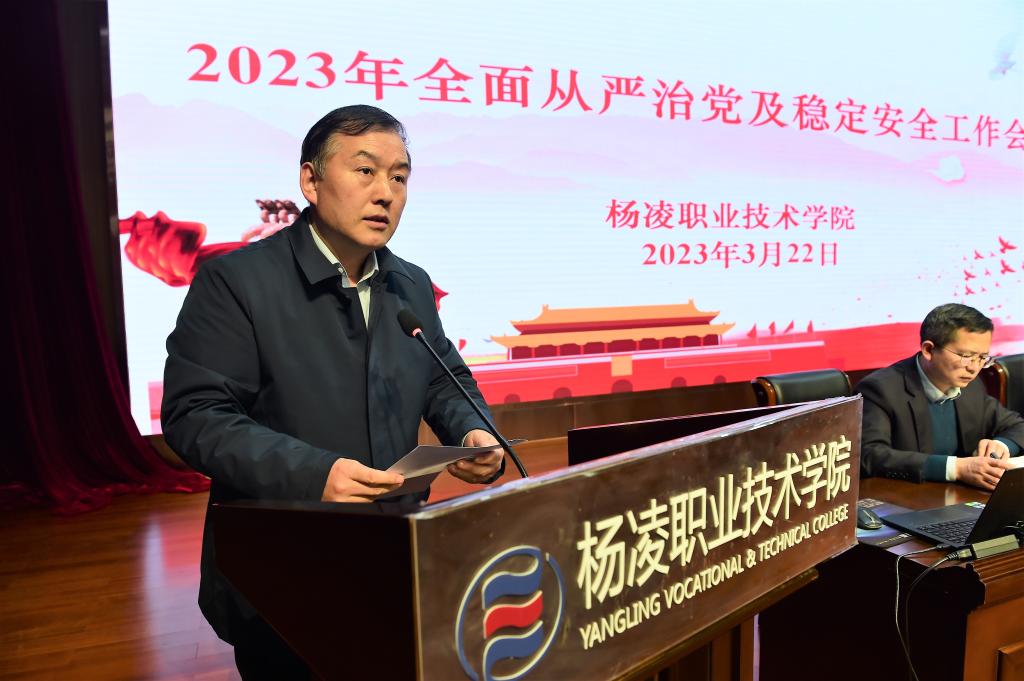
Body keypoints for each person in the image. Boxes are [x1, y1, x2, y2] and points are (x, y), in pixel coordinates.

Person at [161, 105, 503, 679]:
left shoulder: (410, 283)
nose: (385, 193)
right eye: (365, 171)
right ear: (311, 181)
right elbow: (196, 415)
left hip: (396, 553)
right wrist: (315, 473)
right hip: (284, 567)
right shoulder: (237, 282)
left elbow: (444, 377)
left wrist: (473, 430)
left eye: (399, 177)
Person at [857, 303, 1024, 490]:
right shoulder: (881, 389)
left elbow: (1017, 426)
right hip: (907, 496)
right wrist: (956, 468)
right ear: (929, 350)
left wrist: (1001, 445)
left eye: (982, 357)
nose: (974, 368)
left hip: (962, 496)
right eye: (966, 356)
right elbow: (870, 455)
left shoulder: (970, 385)